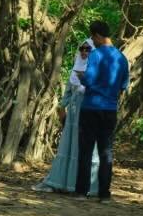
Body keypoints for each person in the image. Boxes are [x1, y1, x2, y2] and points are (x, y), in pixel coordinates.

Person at [75, 19, 129, 201]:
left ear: (98, 35)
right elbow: (123, 85)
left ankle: (82, 191)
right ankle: (104, 194)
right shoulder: (122, 58)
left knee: (86, 150)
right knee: (106, 151)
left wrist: (81, 77)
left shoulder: (96, 55)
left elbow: (89, 79)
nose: (92, 41)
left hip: (91, 107)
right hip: (110, 109)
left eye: (92, 37)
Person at [37, 40, 99, 194]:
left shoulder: (98, 70)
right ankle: (62, 183)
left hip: (89, 112)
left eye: (88, 49)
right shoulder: (75, 70)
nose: (84, 52)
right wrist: (61, 107)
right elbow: (68, 94)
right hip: (72, 115)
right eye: (82, 49)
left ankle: (86, 187)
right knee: (70, 147)